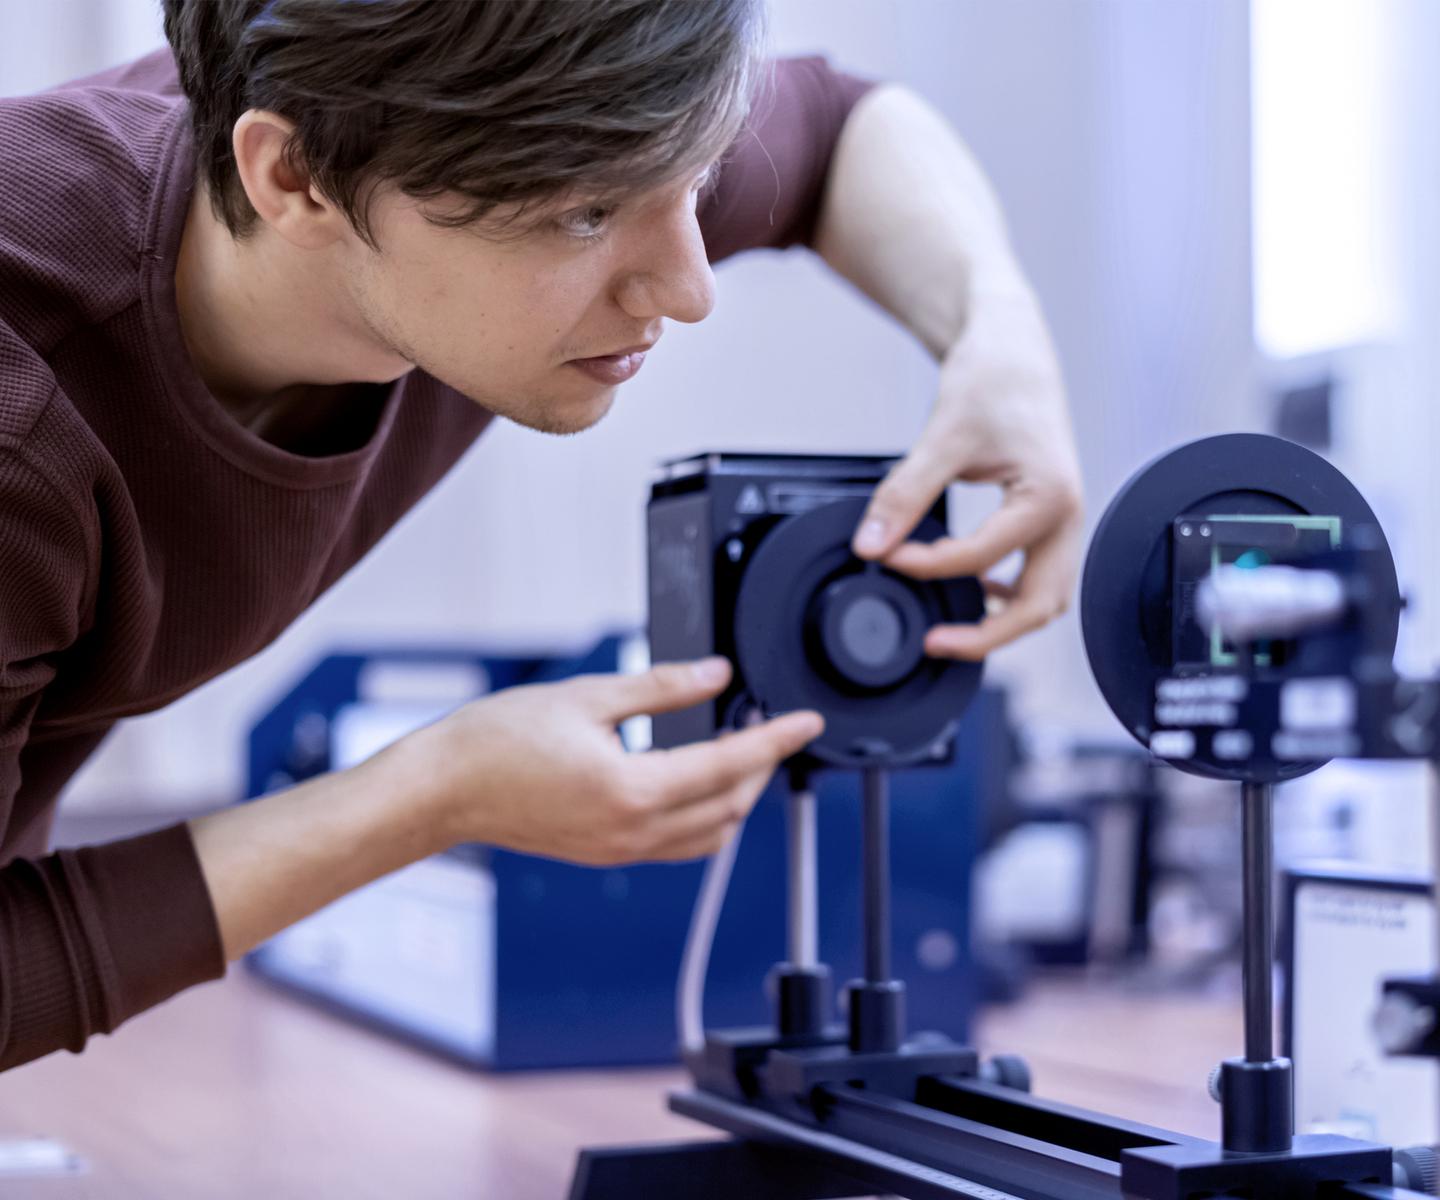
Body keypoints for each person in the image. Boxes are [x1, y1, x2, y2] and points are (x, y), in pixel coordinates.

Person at [0, 0, 1082, 1071]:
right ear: (294, 179)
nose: (691, 288)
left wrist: (1003, 341)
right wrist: (429, 795)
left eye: (697, 181)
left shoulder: (442, 162)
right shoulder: (23, 408)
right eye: (584, 216)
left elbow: (842, 130)